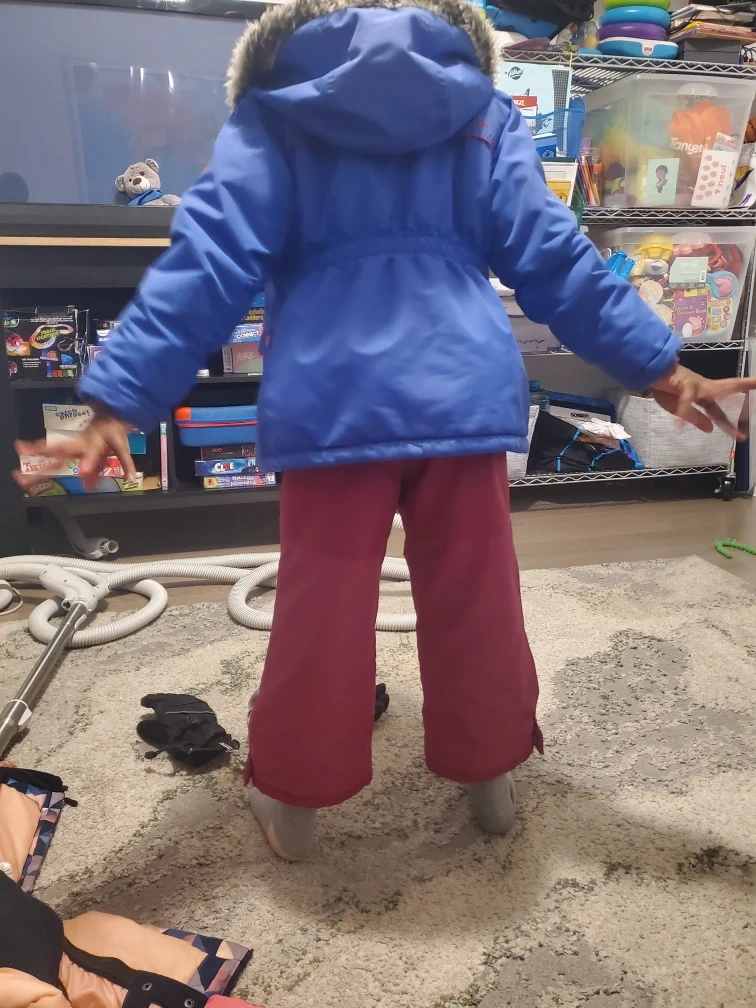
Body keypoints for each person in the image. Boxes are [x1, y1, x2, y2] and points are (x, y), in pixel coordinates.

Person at [15, 0, 756, 861]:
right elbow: (555, 256)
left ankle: (295, 807)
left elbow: (205, 267)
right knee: (478, 601)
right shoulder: (481, 109)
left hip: (332, 405)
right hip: (460, 397)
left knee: (321, 615)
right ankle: (490, 782)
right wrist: (660, 366)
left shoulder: (272, 116)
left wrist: (118, 400)